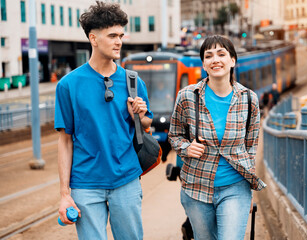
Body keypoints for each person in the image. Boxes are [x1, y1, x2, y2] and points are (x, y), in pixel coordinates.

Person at [54, 2, 152, 239]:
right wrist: (64, 193)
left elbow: (147, 125)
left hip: (126, 180)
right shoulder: (68, 85)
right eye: (112, 36)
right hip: (85, 184)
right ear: (94, 39)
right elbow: (65, 141)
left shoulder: (133, 81)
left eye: (120, 35)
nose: (119, 41)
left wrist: (140, 116)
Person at [168, 35, 266, 240]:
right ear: (203, 63)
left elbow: (250, 150)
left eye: (222, 54)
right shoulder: (187, 96)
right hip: (196, 189)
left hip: (235, 188)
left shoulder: (249, 99)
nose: (215, 60)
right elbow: (174, 135)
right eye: (209, 55)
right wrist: (186, 148)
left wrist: (249, 192)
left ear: (232, 60)